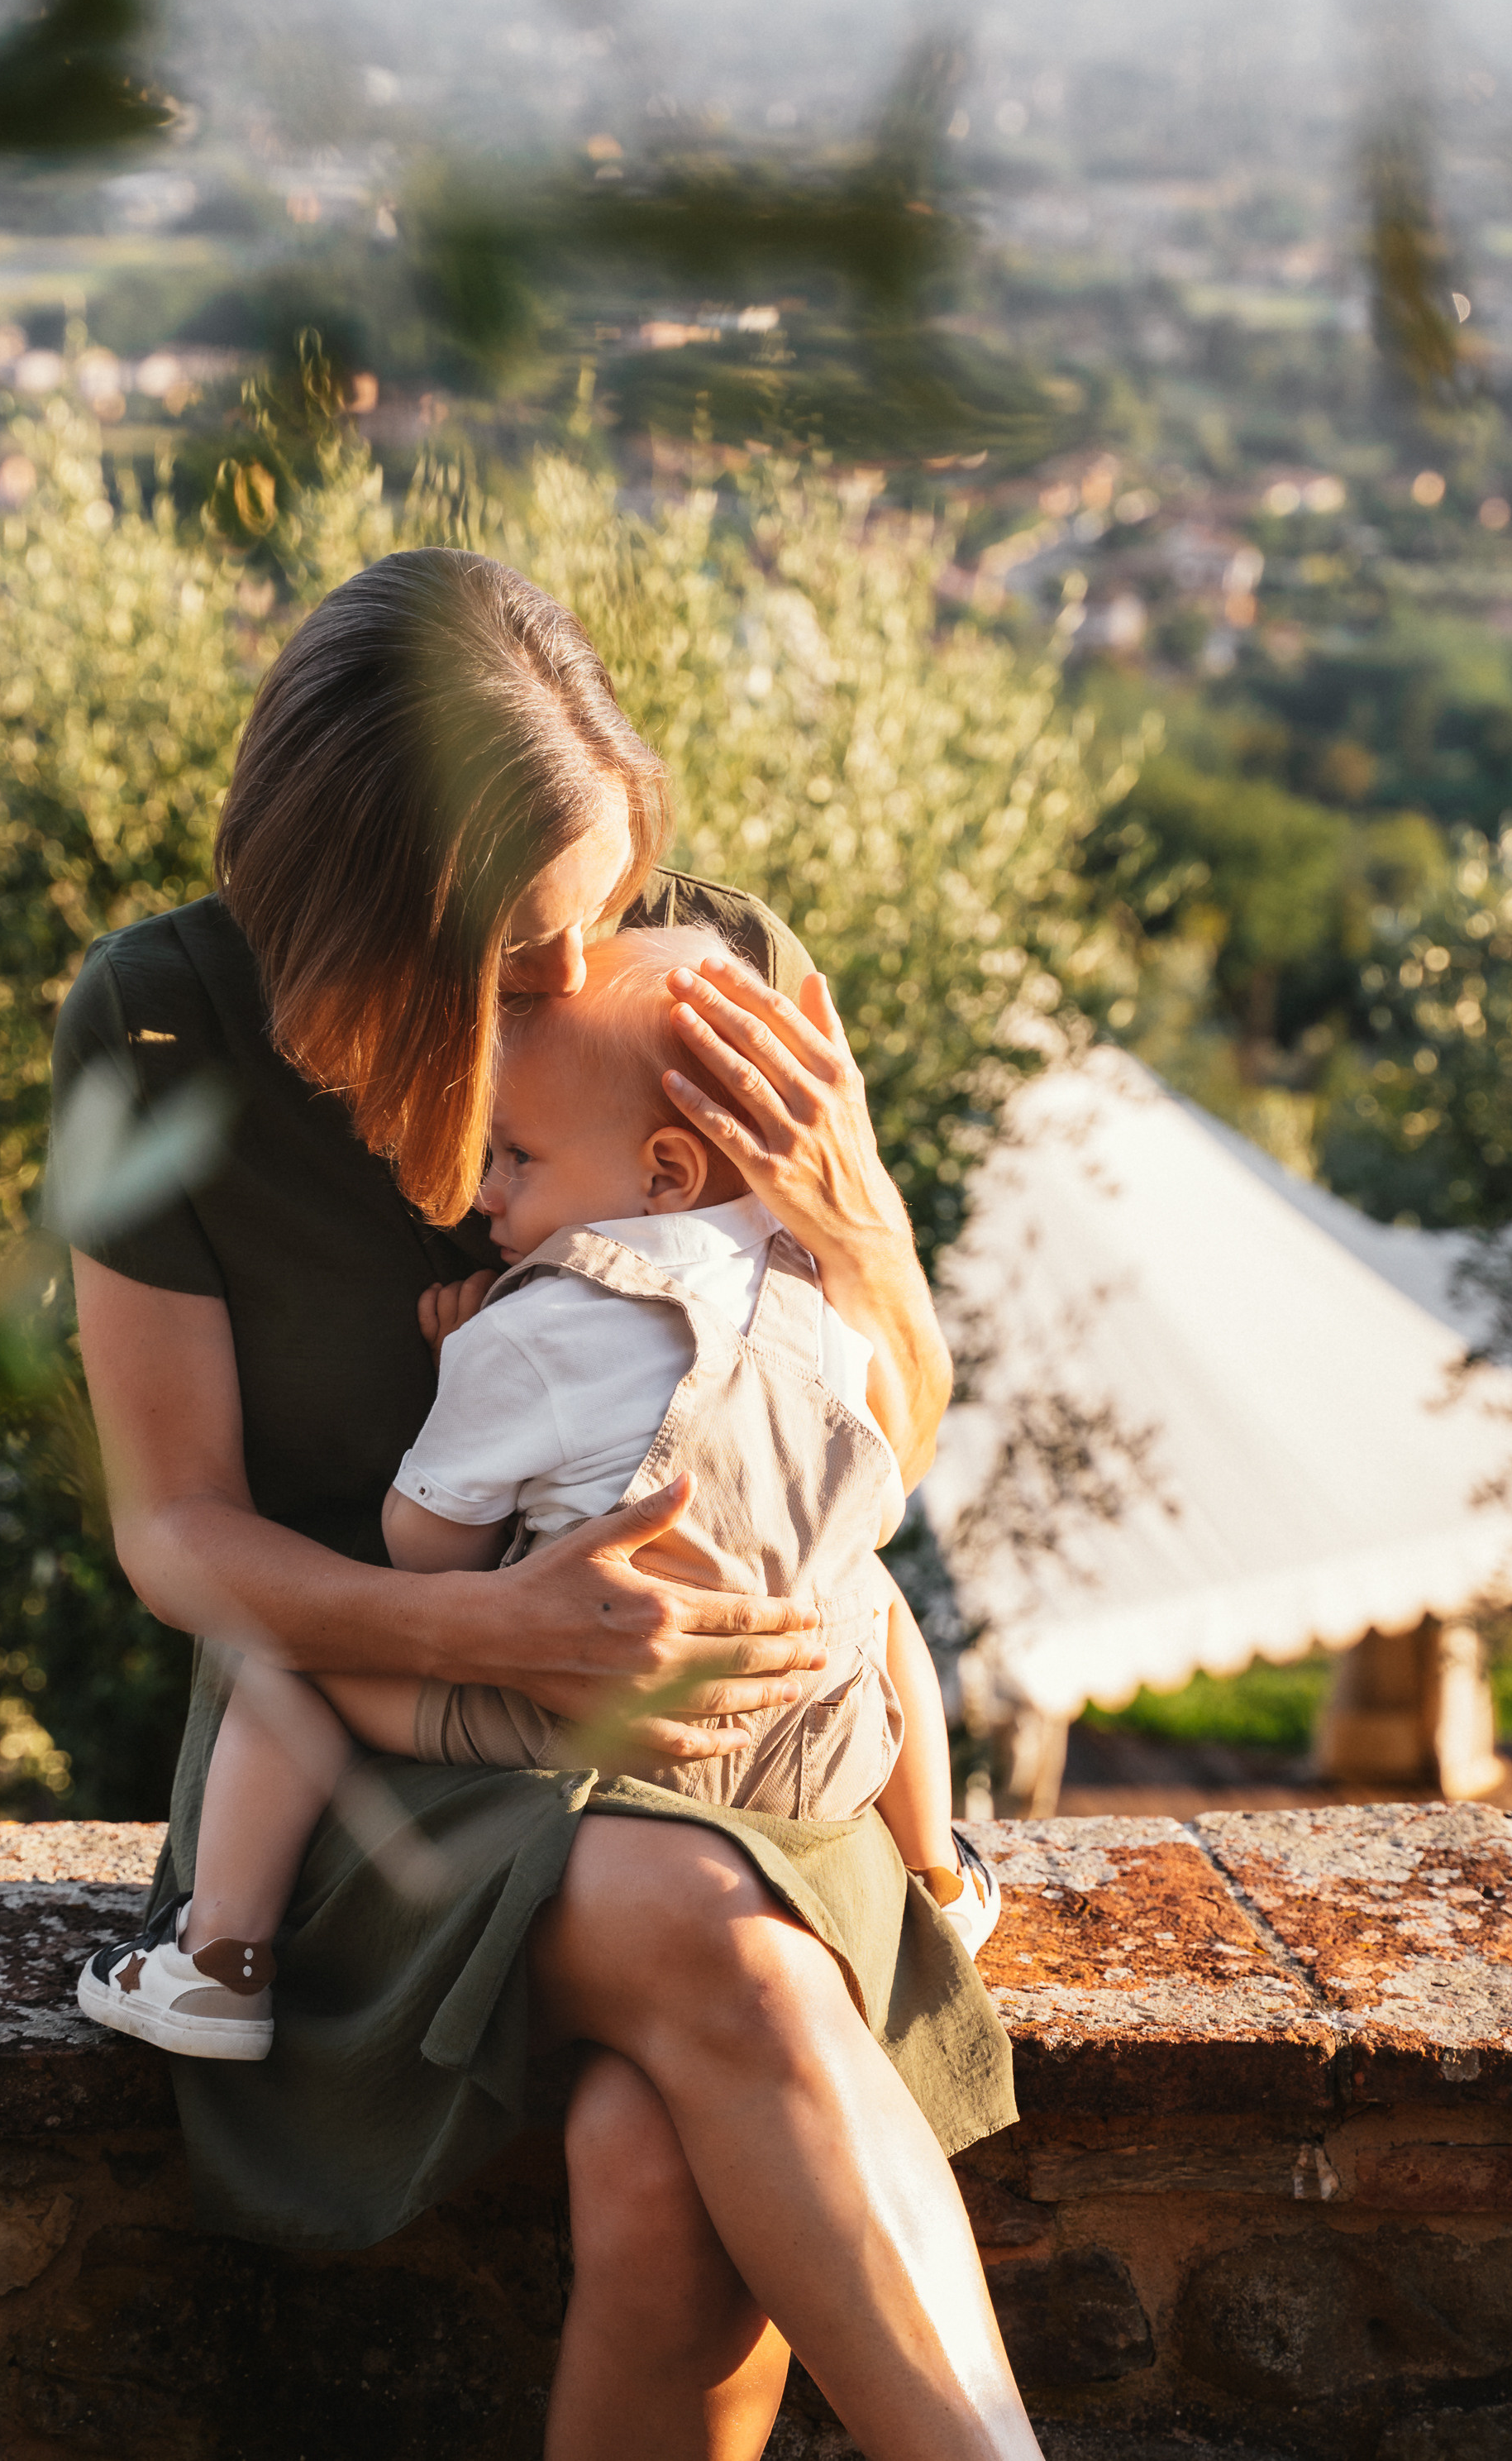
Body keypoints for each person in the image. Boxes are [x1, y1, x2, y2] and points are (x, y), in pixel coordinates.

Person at [52, 547, 1042, 2461]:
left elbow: (870, 1444)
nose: (576, 990)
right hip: (356, 1736)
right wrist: (479, 1628)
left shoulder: (710, 981)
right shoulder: (159, 1029)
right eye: (517, 962)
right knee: (714, 1943)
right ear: (352, 931)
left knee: (659, 2172)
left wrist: (862, 1231)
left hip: (742, 1731)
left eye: (593, 924)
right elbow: (174, 1532)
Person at [78, 926, 999, 2059]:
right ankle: (939, 1877)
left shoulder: (533, 1330)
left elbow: (426, 1555)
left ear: (663, 1169)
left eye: (515, 1155)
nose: (481, 1190)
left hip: (596, 1728)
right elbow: (876, 1485)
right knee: (871, 1590)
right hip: (809, 1739)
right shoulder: (811, 1289)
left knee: (277, 1656)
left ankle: (216, 1963)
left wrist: (463, 1381)